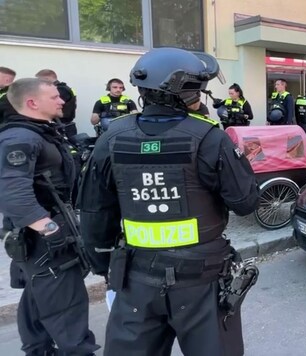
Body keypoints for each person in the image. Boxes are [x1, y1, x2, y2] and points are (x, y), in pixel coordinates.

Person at [78, 47, 260, 356]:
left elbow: (95, 212)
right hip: (202, 279)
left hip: (136, 278)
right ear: (186, 91)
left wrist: (104, 267)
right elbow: (245, 202)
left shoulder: (112, 137)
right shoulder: (209, 136)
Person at [0, 78, 99, 355]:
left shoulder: (39, 132)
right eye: (54, 97)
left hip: (45, 229)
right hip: (43, 235)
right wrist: (49, 228)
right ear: (32, 103)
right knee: (65, 302)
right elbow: (10, 192)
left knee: (39, 293)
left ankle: (38, 349)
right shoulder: (20, 138)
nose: (61, 101)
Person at [35, 69, 78, 138]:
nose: (39, 83)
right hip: (61, 126)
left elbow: (48, 105)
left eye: (40, 80)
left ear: (47, 78)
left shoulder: (61, 90)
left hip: (62, 127)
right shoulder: (62, 88)